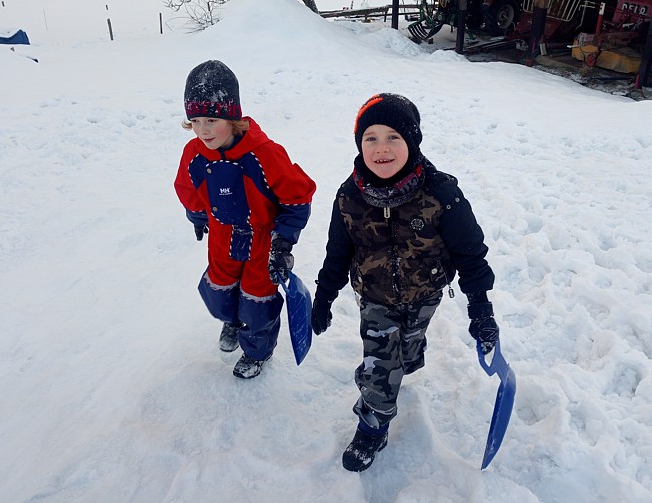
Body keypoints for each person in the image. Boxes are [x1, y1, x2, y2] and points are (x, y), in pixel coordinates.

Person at [311, 93, 499, 471]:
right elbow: (337, 252)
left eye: (393, 137)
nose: (382, 148)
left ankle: (409, 354)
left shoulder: (441, 194)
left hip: (426, 292)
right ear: (359, 144)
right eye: (371, 138)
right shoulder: (349, 197)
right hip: (375, 297)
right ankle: (373, 425)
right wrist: (324, 296)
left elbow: (470, 252)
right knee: (380, 366)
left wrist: (481, 307)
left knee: (409, 347)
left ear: (412, 141)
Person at [174, 60, 316, 379]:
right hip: (222, 235)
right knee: (222, 285)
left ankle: (256, 349)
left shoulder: (264, 154)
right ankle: (232, 320)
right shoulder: (194, 154)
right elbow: (186, 185)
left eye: (211, 119)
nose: (203, 130)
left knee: (257, 296)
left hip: (261, 238)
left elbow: (297, 196)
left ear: (232, 116)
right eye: (195, 121)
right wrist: (197, 214)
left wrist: (283, 241)